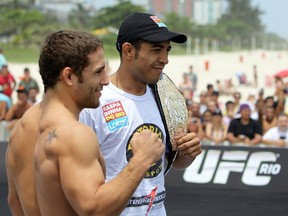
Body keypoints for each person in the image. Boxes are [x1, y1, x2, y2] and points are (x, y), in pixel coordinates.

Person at [6, 30, 165, 216]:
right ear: (69, 77)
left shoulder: (24, 128)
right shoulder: (75, 134)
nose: (106, 81)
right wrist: (142, 159)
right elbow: (94, 209)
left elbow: (15, 201)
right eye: (98, 71)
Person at [80, 13, 201, 215]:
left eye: (167, 50)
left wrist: (187, 154)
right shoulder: (95, 102)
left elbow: (168, 163)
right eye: (156, 50)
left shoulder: (167, 97)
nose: (165, 59)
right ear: (128, 50)